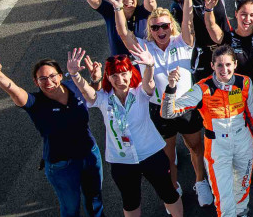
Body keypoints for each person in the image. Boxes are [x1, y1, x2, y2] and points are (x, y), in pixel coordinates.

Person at [113, 6, 212, 207]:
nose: (160, 31)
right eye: (155, 27)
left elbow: (188, 21)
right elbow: (123, 33)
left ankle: (201, 181)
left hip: (185, 107)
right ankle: (174, 187)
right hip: (159, 109)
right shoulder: (144, 47)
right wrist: (117, 7)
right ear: (150, 29)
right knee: (168, 153)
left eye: (164, 26)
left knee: (195, 146)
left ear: (171, 26)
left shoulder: (182, 42)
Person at [69, 50, 185, 217]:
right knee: (130, 202)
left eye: (124, 73)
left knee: (168, 193)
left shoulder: (140, 92)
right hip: (121, 160)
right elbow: (89, 93)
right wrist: (75, 75)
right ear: (107, 77)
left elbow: (149, 82)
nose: (120, 79)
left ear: (131, 73)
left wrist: (150, 65)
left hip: (151, 153)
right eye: (114, 75)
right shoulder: (104, 98)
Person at [0, 53, 104, 217]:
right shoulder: (35, 102)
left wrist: (96, 80)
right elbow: (14, 90)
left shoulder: (74, 86)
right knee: (70, 209)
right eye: (42, 79)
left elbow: (93, 94)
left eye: (52, 76)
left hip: (90, 155)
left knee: (95, 203)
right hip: (62, 165)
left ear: (60, 76)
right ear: (36, 82)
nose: (48, 81)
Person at [161, 48, 253, 217]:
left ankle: (242, 213)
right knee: (224, 197)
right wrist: (171, 87)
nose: (224, 70)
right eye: (219, 65)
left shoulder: (244, 82)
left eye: (228, 64)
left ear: (235, 64)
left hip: (243, 141)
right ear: (212, 66)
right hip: (217, 146)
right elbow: (168, 113)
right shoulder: (202, 88)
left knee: (243, 187)